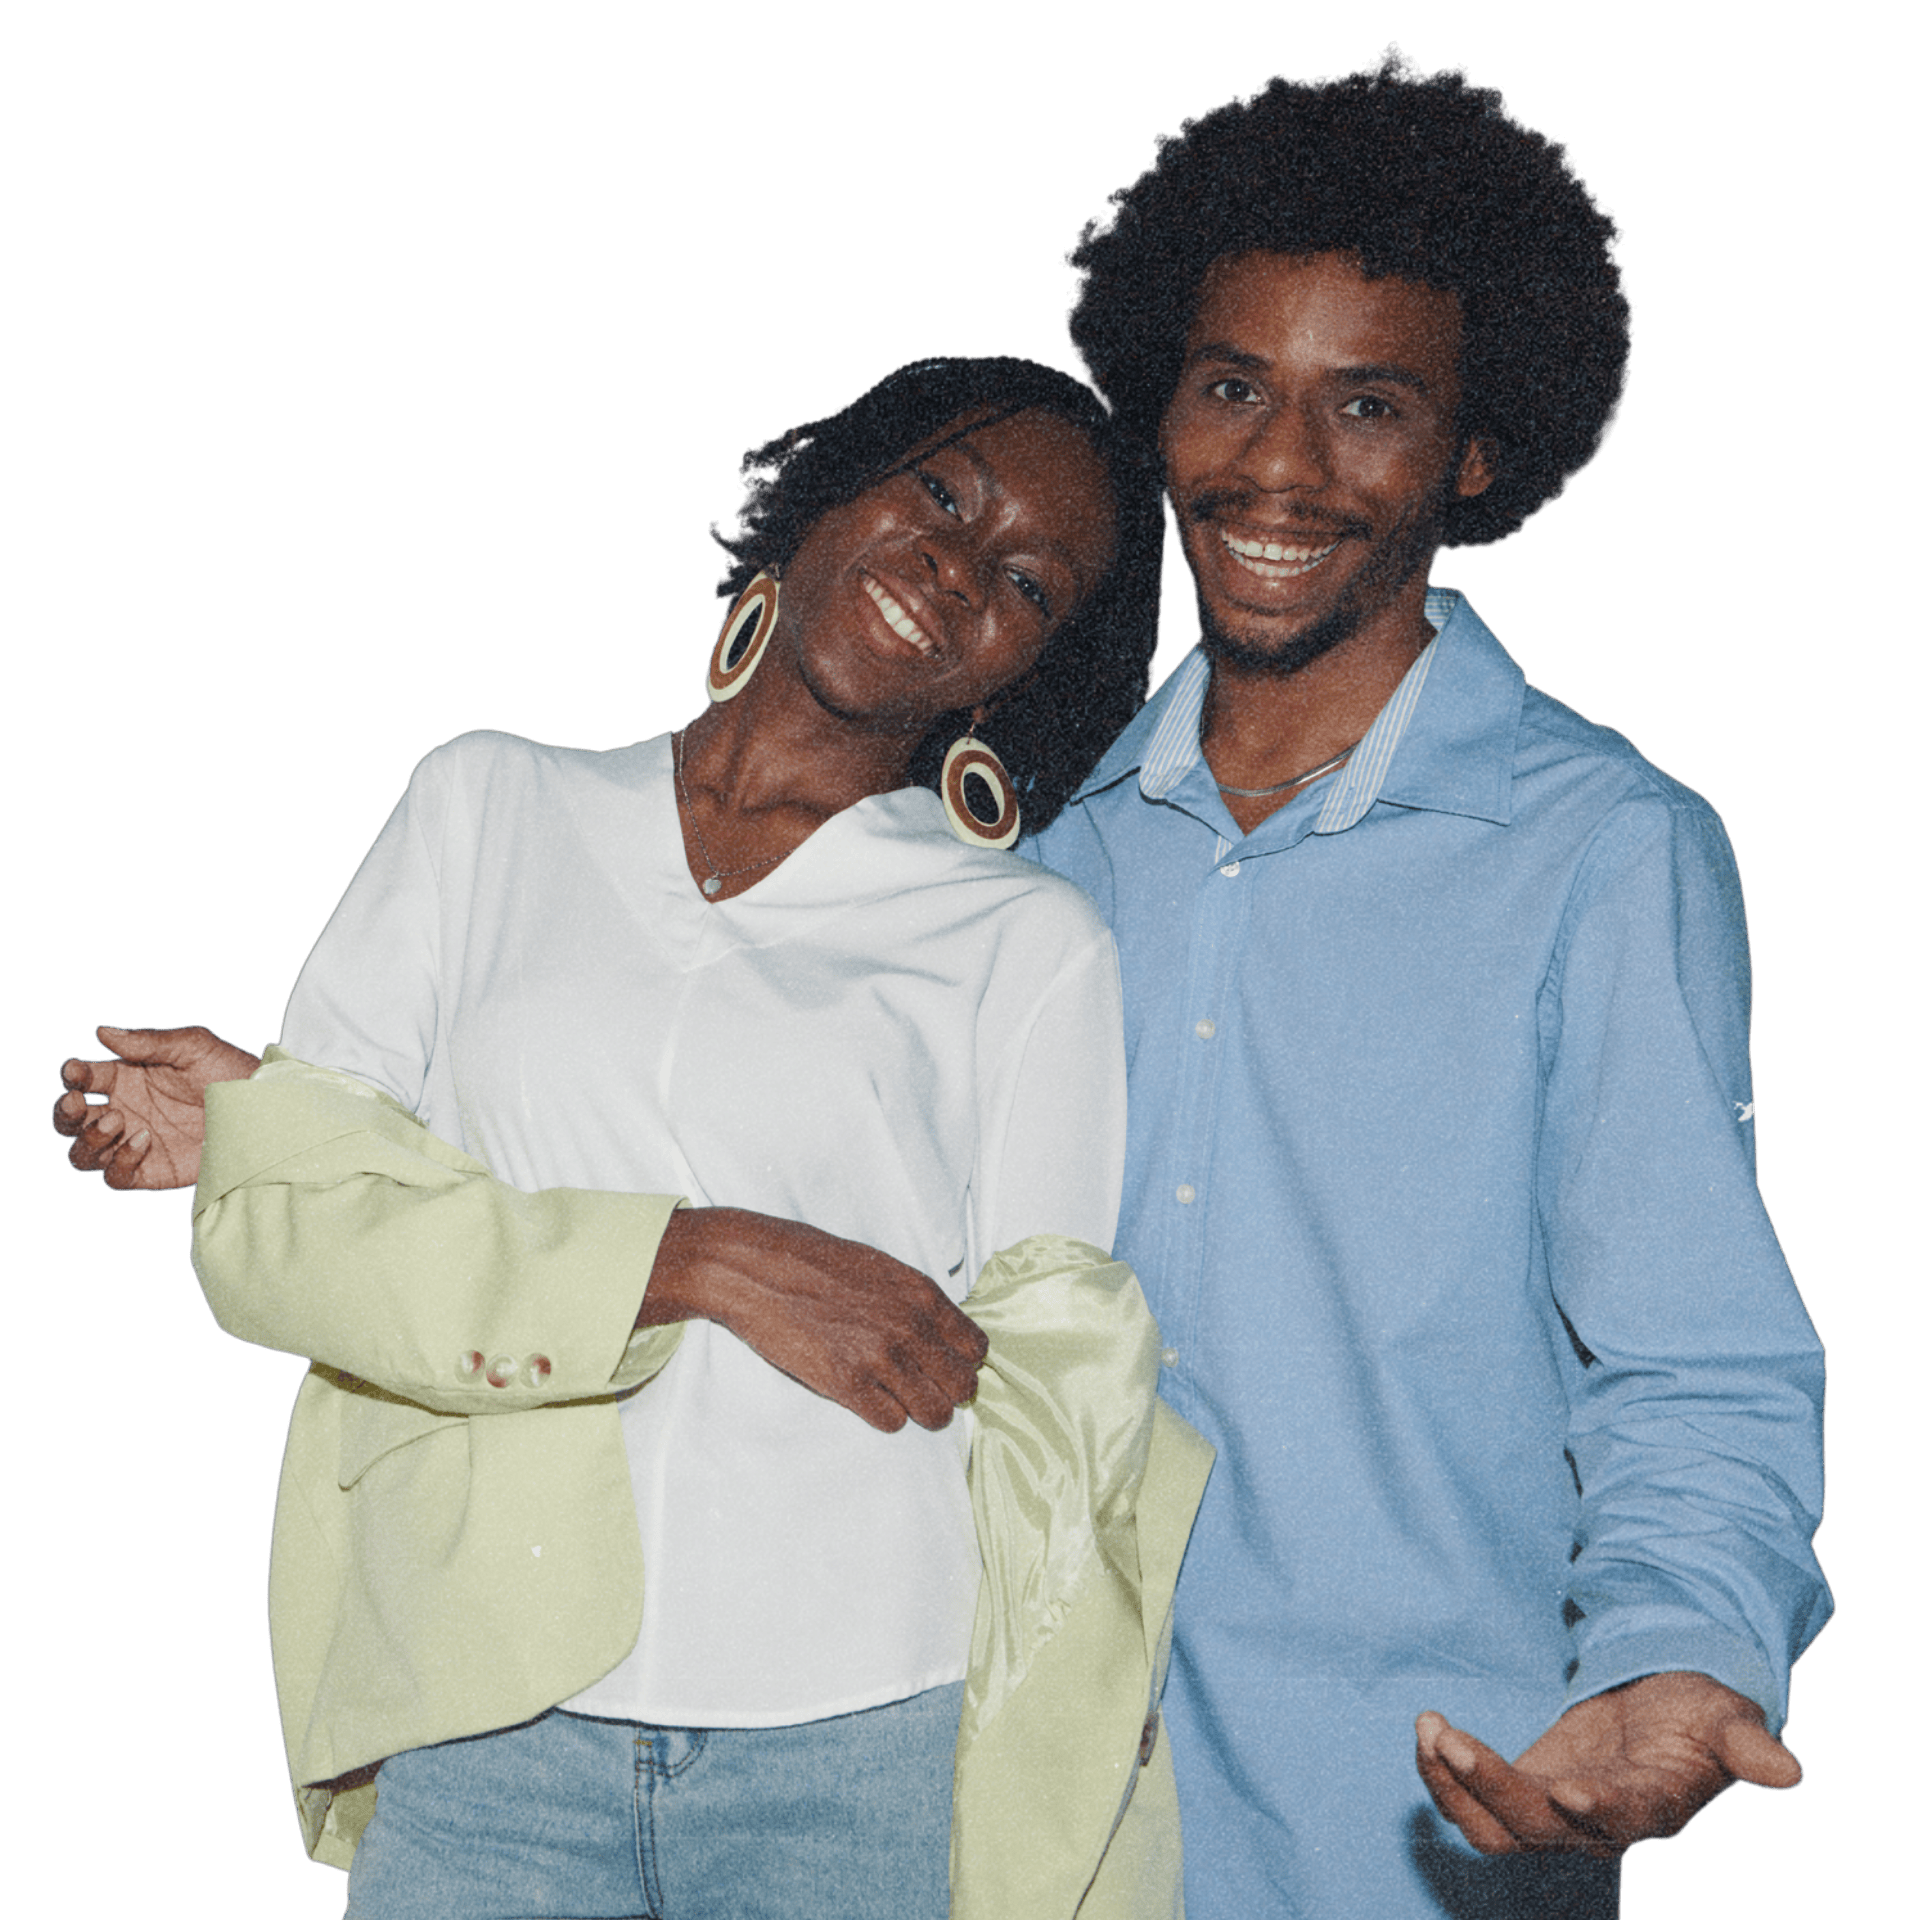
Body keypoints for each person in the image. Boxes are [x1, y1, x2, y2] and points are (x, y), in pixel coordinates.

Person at [55, 352, 1217, 1920]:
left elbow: (1049, 1403)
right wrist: (700, 1259)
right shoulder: (489, 812)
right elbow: (297, 1238)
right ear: (821, 500)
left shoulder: (1028, 943)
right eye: (940, 493)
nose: (956, 566)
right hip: (495, 1722)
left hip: (865, 1736)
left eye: (1026, 579)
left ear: (1016, 673)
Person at [1027, 46, 1830, 1918]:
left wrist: (1677, 1659)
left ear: (1475, 457)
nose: (1280, 468)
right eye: (1234, 387)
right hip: (1026, 1834)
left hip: (1409, 1835)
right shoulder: (1045, 855)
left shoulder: (1603, 851)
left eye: (1367, 407)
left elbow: (1696, 1359)